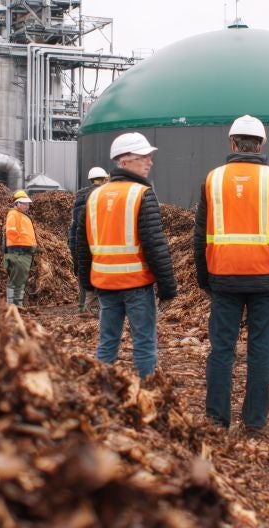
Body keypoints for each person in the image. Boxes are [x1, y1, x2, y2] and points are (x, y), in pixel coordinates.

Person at [194, 115, 269, 435]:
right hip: (266, 280)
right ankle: (254, 421)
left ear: (232, 143)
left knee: (222, 350)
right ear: (261, 144)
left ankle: (216, 419)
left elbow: (200, 235)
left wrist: (204, 277)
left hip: (223, 277)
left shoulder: (212, 180)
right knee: (261, 351)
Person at [75, 133, 177, 378]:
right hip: (136, 285)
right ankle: (147, 396)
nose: (149, 162)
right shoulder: (141, 193)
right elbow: (154, 244)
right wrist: (167, 288)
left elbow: (82, 243)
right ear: (124, 161)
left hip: (106, 285)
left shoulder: (94, 196)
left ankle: (101, 394)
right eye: (143, 157)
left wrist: (87, 283)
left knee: (107, 343)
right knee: (144, 344)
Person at [69, 166, 110, 314]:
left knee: (83, 274)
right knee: (98, 276)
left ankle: (83, 308)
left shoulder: (79, 199)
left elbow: (73, 230)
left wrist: (73, 251)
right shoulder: (102, 197)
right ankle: (95, 308)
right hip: (97, 244)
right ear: (104, 179)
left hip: (81, 245)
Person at [2, 190, 37, 307]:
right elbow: (11, 232)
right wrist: (22, 244)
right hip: (19, 252)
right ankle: (14, 306)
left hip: (24, 253)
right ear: (17, 203)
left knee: (19, 281)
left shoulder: (22, 215)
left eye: (27, 204)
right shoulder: (13, 214)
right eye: (24, 203)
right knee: (16, 281)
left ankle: (16, 305)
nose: (27, 206)